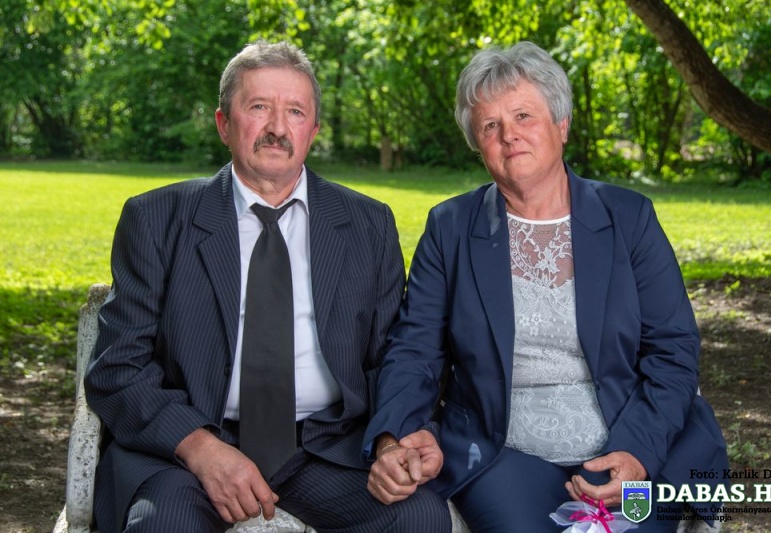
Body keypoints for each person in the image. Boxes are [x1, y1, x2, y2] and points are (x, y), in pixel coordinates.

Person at [84, 40, 451, 533]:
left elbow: (392, 357)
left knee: (418, 518)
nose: (278, 127)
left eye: (295, 112)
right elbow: (118, 368)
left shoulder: (368, 225)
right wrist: (199, 447)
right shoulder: (156, 219)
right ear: (223, 123)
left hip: (326, 447)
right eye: (259, 107)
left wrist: (392, 439)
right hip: (190, 447)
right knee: (164, 524)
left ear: (313, 131)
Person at [363, 41, 729, 532]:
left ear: (561, 125)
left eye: (523, 116)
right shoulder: (450, 227)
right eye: (490, 126)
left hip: (628, 439)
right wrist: (393, 438)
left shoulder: (630, 217)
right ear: (477, 144)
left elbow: (674, 349)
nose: (508, 135)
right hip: (501, 451)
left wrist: (638, 453)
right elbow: (415, 349)